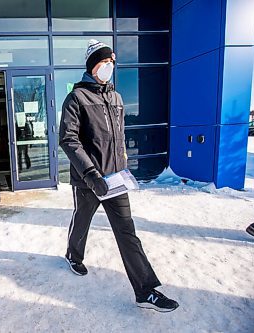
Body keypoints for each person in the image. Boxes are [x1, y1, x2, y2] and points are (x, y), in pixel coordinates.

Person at [59, 39, 179, 313]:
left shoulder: (116, 98)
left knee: (127, 232)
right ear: (92, 66)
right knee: (82, 220)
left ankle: (145, 290)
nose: (109, 68)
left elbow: (119, 137)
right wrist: (90, 173)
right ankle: (72, 254)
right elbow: (68, 139)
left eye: (112, 63)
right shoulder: (77, 98)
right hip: (88, 179)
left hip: (115, 180)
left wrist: (123, 164)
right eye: (104, 63)